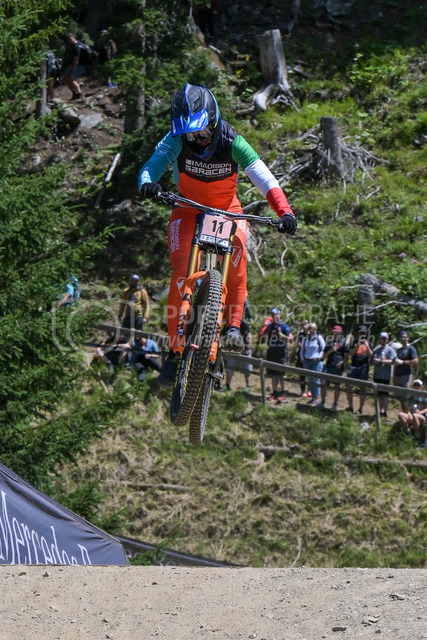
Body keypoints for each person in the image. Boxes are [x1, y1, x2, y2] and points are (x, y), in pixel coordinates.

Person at [138, 83, 296, 386]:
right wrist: (148, 183)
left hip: (227, 211)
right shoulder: (176, 139)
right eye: (190, 134)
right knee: (181, 269)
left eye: (202, 131)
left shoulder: (232, 140)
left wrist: (284, 212)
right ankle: (175, 351)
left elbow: (264, 178)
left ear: (214, 120)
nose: (197, 139)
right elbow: (152, 166)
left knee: (237, 265)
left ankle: (233, 326)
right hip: (187, 209)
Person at [260, 308, 293, 402]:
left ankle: (283, 392)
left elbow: (291, 339)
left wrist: (282, 336)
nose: (274, 316)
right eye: (272, 315)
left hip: (281, 353)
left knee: (282, 373)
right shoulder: (270, 326)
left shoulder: (284, 326)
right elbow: (263, 335)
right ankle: (274, 392)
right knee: (273, 373)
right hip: (271, 351)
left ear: (279, 315)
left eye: (275, 314)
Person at [345, 325, 373, 414]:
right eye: (361, 333)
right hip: (353, 366)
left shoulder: (369, 343)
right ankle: (350, 406)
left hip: (363, 368)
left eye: (364, 333)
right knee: (349, 386)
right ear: (358, 333)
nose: (362, 335)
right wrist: (357, 346)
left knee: (362, 388)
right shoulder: (354, 342)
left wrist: (367, 346)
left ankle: (360, 408)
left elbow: (371, 356)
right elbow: (350, 354)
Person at [319, 325, 348, 411]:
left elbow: (346, 357)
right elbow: (323, 357)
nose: (336, 334)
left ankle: (335, 404)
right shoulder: (329, 343)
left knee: (337, 386)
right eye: (334, 332)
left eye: (337, 332)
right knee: (323, 383)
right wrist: (330, 351)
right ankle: (322, 402)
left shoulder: (344, 344)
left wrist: (342, 363)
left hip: (338, 367)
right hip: (328, 366)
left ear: (341, 333)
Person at [62, 33, 97, 100]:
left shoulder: (76, 47)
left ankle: (80, 94)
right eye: (69, 40)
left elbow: (76, 60)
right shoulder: (81, 44)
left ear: (74, 38)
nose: (70, 41)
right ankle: (75, 93)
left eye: (71, 39)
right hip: (85, 64)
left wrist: (73, 70)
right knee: (66, 78)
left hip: (82, 65)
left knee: (72, 78)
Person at [221, 318, 252, 393]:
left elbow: (248, 335)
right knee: (230, 367)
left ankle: (248, 386)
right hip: (232, 349)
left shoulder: (243, 323)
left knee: (247, 368)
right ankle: (227, 385)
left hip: (244, 348)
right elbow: (222, 335)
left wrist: (248, 348)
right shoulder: (228, 323)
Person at [371, 331, 396, 418]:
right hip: (377, 375)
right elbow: (372, 361)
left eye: (385, 339)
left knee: (385, 395)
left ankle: (384, 411)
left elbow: (392, 361)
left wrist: (381, 361)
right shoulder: (376, 349)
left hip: (385, 376)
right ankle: (378, 411)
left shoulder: (390, 350)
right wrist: (377, 361)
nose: (383, 340)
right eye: (382, 338)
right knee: (378, 394)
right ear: (379, 339)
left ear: (387, 340)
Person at [300, 322, 325, 406]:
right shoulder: (305, 338)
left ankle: (316, 398)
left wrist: (319, 357)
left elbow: (323, 349)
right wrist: (302, 358)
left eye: (313, 329)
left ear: (316, 330)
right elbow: (302, 349)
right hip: (307, 361)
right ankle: (313, 397)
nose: (311, 330)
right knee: (310, 379)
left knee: (316, 380)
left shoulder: (319, 338)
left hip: (316, 362)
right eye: (310, 329)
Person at [393, 330, 418, 410]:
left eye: (404, 337)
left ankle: (408, 413)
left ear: (408, 338)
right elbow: (396, 363)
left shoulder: (411, 348)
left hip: (406, 375)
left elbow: (415, 361)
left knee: (406, 395)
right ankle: (404, 412)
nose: (403, 339)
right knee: (399, 396)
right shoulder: (399, 350)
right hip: (397, 375)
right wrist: (394, 374)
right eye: (401, 337)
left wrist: (403, 362)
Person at [295, 319, 310, 397]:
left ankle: (310, 390)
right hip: (301, 356)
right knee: (302, 375)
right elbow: (296, 344)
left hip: (309, 356)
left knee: (310, 374)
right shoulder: (300, 334)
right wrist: (299, 345)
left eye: (305, 324)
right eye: (303, 325)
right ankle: (303, 390)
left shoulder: (311, 334)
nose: (304, 326)